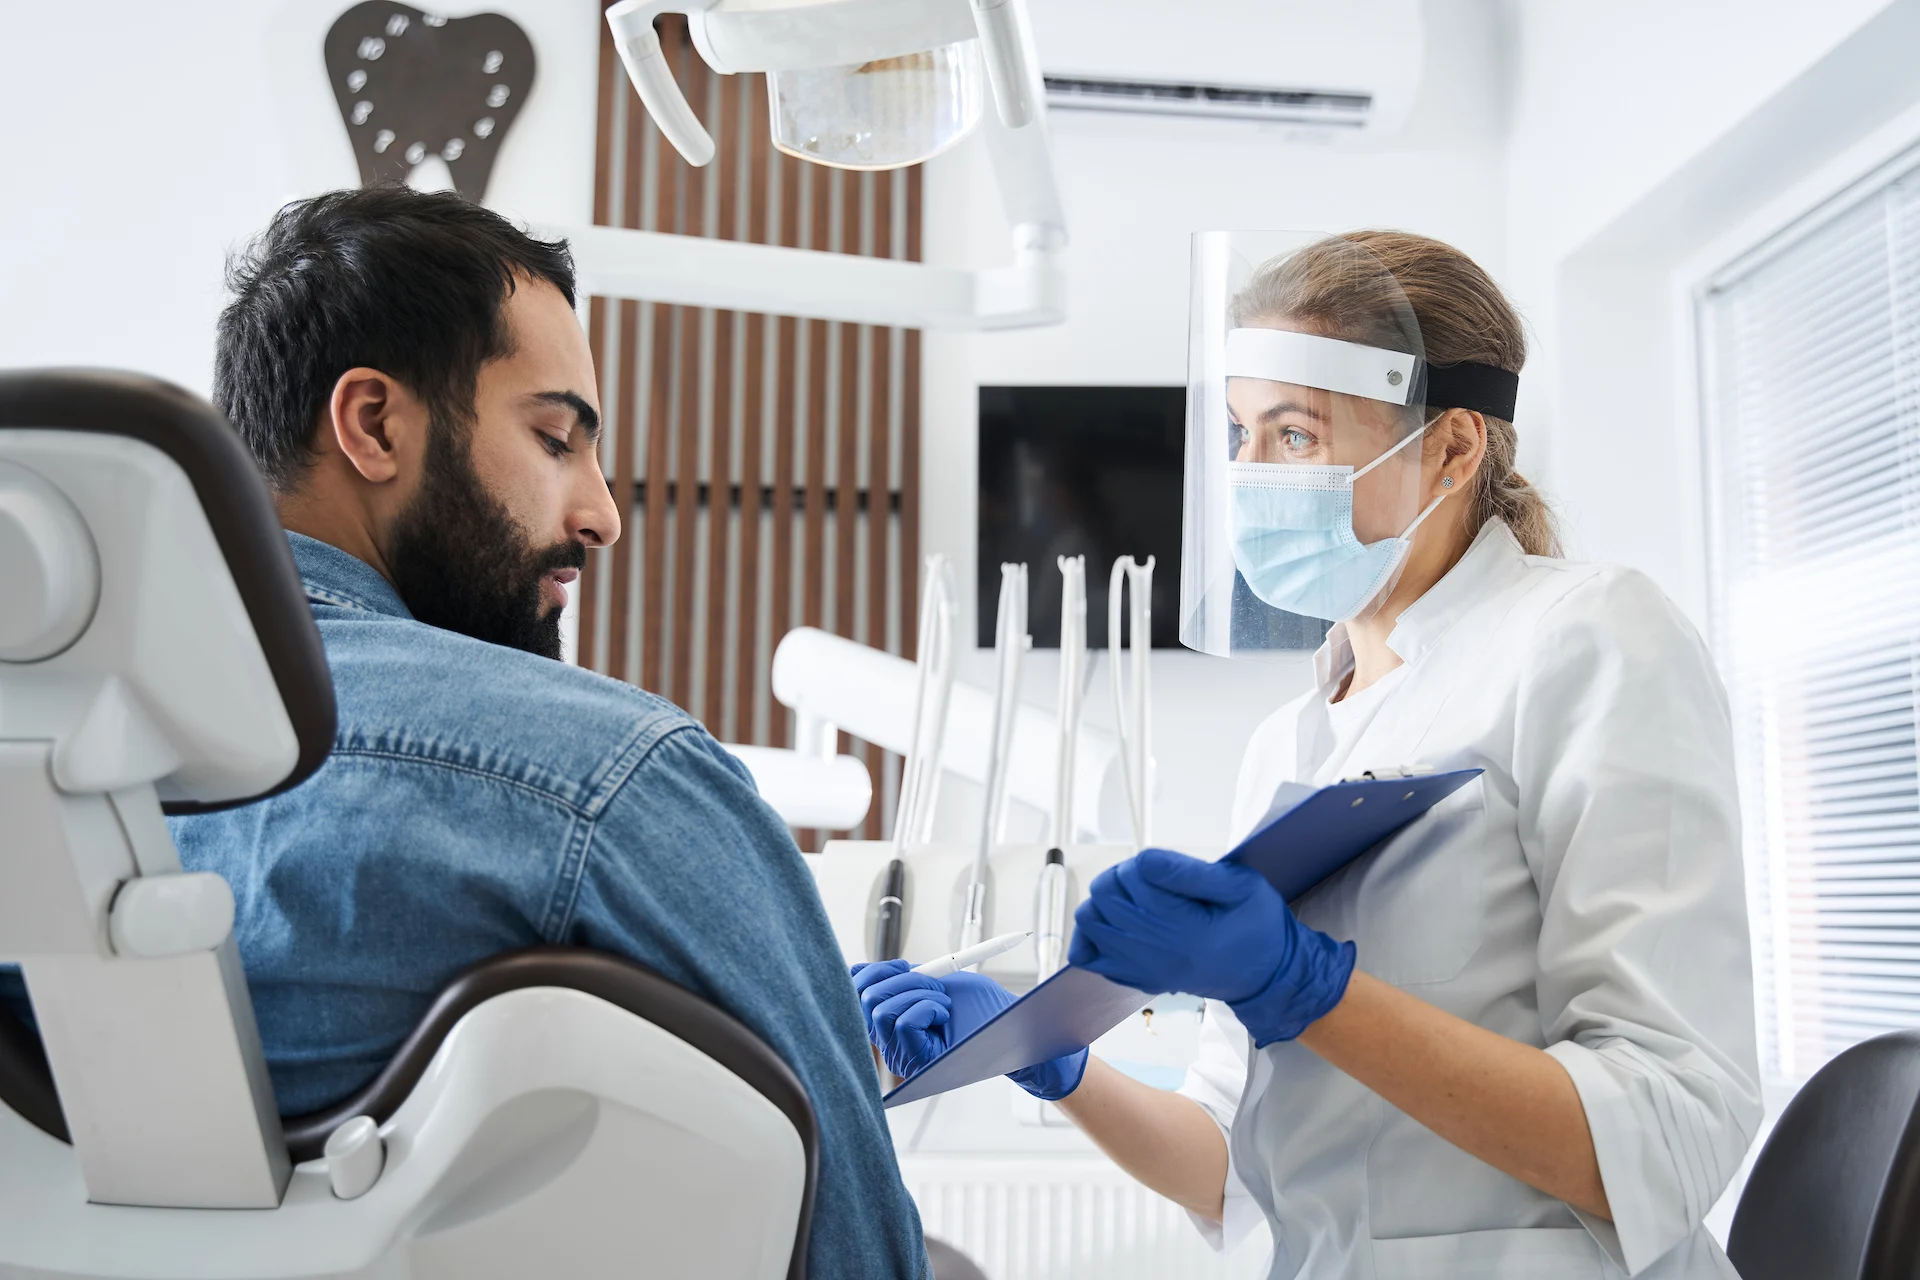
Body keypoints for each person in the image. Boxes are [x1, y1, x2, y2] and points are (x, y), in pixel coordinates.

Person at [23, 186, 929, 1277]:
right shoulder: (611, 783)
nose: (603, 513)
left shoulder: (36, 797)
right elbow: (858, 1239)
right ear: (373, 424)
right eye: (556, 437)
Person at [853, 230, 1760, 1278]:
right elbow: (1227, 1164)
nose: (1246, 476)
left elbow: (1669, 1130)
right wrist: (1052, 1061)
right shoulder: (1294, 735)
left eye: (1293, 435)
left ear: (1455, 446)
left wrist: (1308, 989)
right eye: (1239, 434)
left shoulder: (1589, 637)